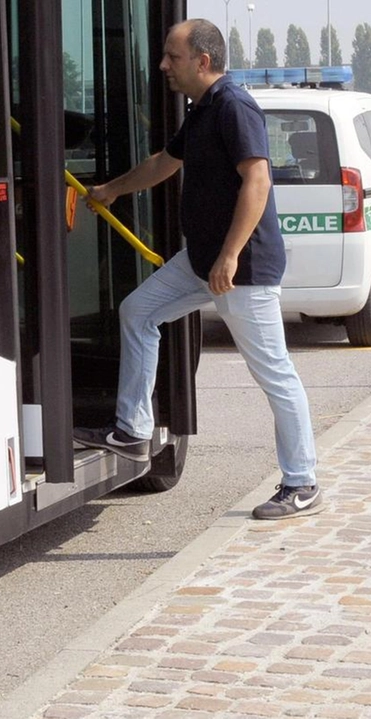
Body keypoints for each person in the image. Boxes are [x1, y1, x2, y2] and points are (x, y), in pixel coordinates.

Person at [72, 19, 321, 520]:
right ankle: (133, 430)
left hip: (241, 267)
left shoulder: (234, 106)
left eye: (173, 57)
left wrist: (230, 256)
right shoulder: (203, 110)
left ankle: (302, 482)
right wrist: (113, 189)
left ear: (203, 62)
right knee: (138, 312)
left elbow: (258, 182)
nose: (164, 65)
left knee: (273, 374)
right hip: (202, 260)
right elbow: (166, 161)